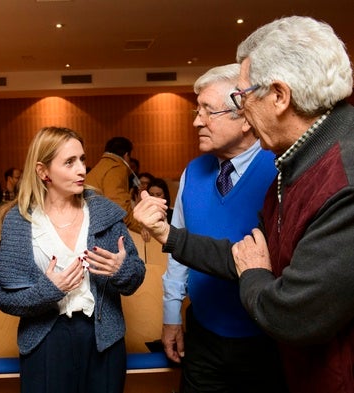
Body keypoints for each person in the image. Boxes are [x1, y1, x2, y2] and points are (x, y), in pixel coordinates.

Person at [134, 16, 354, 393]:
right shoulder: (301, 163)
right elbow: (245, 256)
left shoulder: (340, 178)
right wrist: (167, 235)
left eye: (242, 96)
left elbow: (290, 313)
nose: (243, 109)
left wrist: (253, 273)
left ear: (279, 96)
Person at [0, 126, 146, 393]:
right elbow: (4, 297)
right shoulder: (19, 221)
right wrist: (49, 291)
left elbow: (135, 274)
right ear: (43, 171)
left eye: (82, 159)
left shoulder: (104, 212)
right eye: (69, 162)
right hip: (46, 340)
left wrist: (121, 270)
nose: (82, 170)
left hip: (103, 339)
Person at [162, 64, 286, 393]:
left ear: (246, 117)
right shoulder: (192, 172)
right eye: (197, 109)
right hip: (203, 335)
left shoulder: (279, 169)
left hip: (267, 339)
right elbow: (178, 249)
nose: (196, 121)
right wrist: (171, 312)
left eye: (208, 111)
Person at [86, 136, 145, 234]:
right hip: (103, 231)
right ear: (126, 155)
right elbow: (119, 208)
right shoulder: (117, 168)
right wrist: (141, 228)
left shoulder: (100, 167)